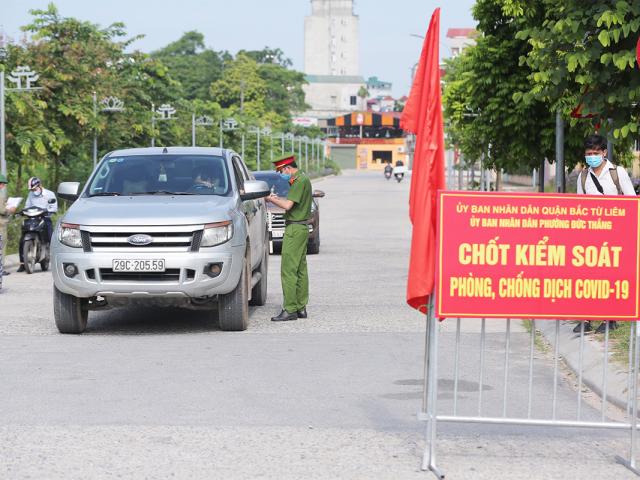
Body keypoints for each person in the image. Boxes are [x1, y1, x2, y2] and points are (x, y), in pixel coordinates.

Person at [573, 134, 636, 334]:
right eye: (588, 154)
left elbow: (632, 203)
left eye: (595, 153)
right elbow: (580, 207)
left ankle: (610, 318)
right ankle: (586, 319)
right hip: (591, 236)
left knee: (611, 278)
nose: (592, 157)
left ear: (604, 153)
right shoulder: (583, 177)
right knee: (588, 277)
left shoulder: (618, 173)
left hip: (616, 235)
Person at [265, 154, 312, 322]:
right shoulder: (303, 178)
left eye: (281, 171)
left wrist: (270, 199)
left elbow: (288, 205)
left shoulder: (298, 181)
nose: (281, 175)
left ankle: (290, 309)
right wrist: (279, 198)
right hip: (302, 227)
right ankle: (300, 307)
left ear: (287, 168)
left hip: (294, 228)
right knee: (300, 269)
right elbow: (291, 202)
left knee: (288, 270)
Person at [17, 177, 57, 272]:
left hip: (45, 218)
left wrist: (49, 211)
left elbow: (53, 207)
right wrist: (22, 211)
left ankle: (54, 260)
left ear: (39, 185)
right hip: (33, 218)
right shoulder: (31, 194)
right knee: (22, 239)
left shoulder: (49, 194)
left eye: (34, 188)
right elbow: (27, 206)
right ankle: (23, 263)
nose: (33, 191)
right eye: (31, 189)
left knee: (51, 239)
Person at [0, 174, 13, 281]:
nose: (3, 186)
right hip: (1, 224)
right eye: (3, 184)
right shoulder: (0, 195)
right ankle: (1, 268)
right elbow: (2, 210)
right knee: (2, 246)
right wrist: (10, 209)